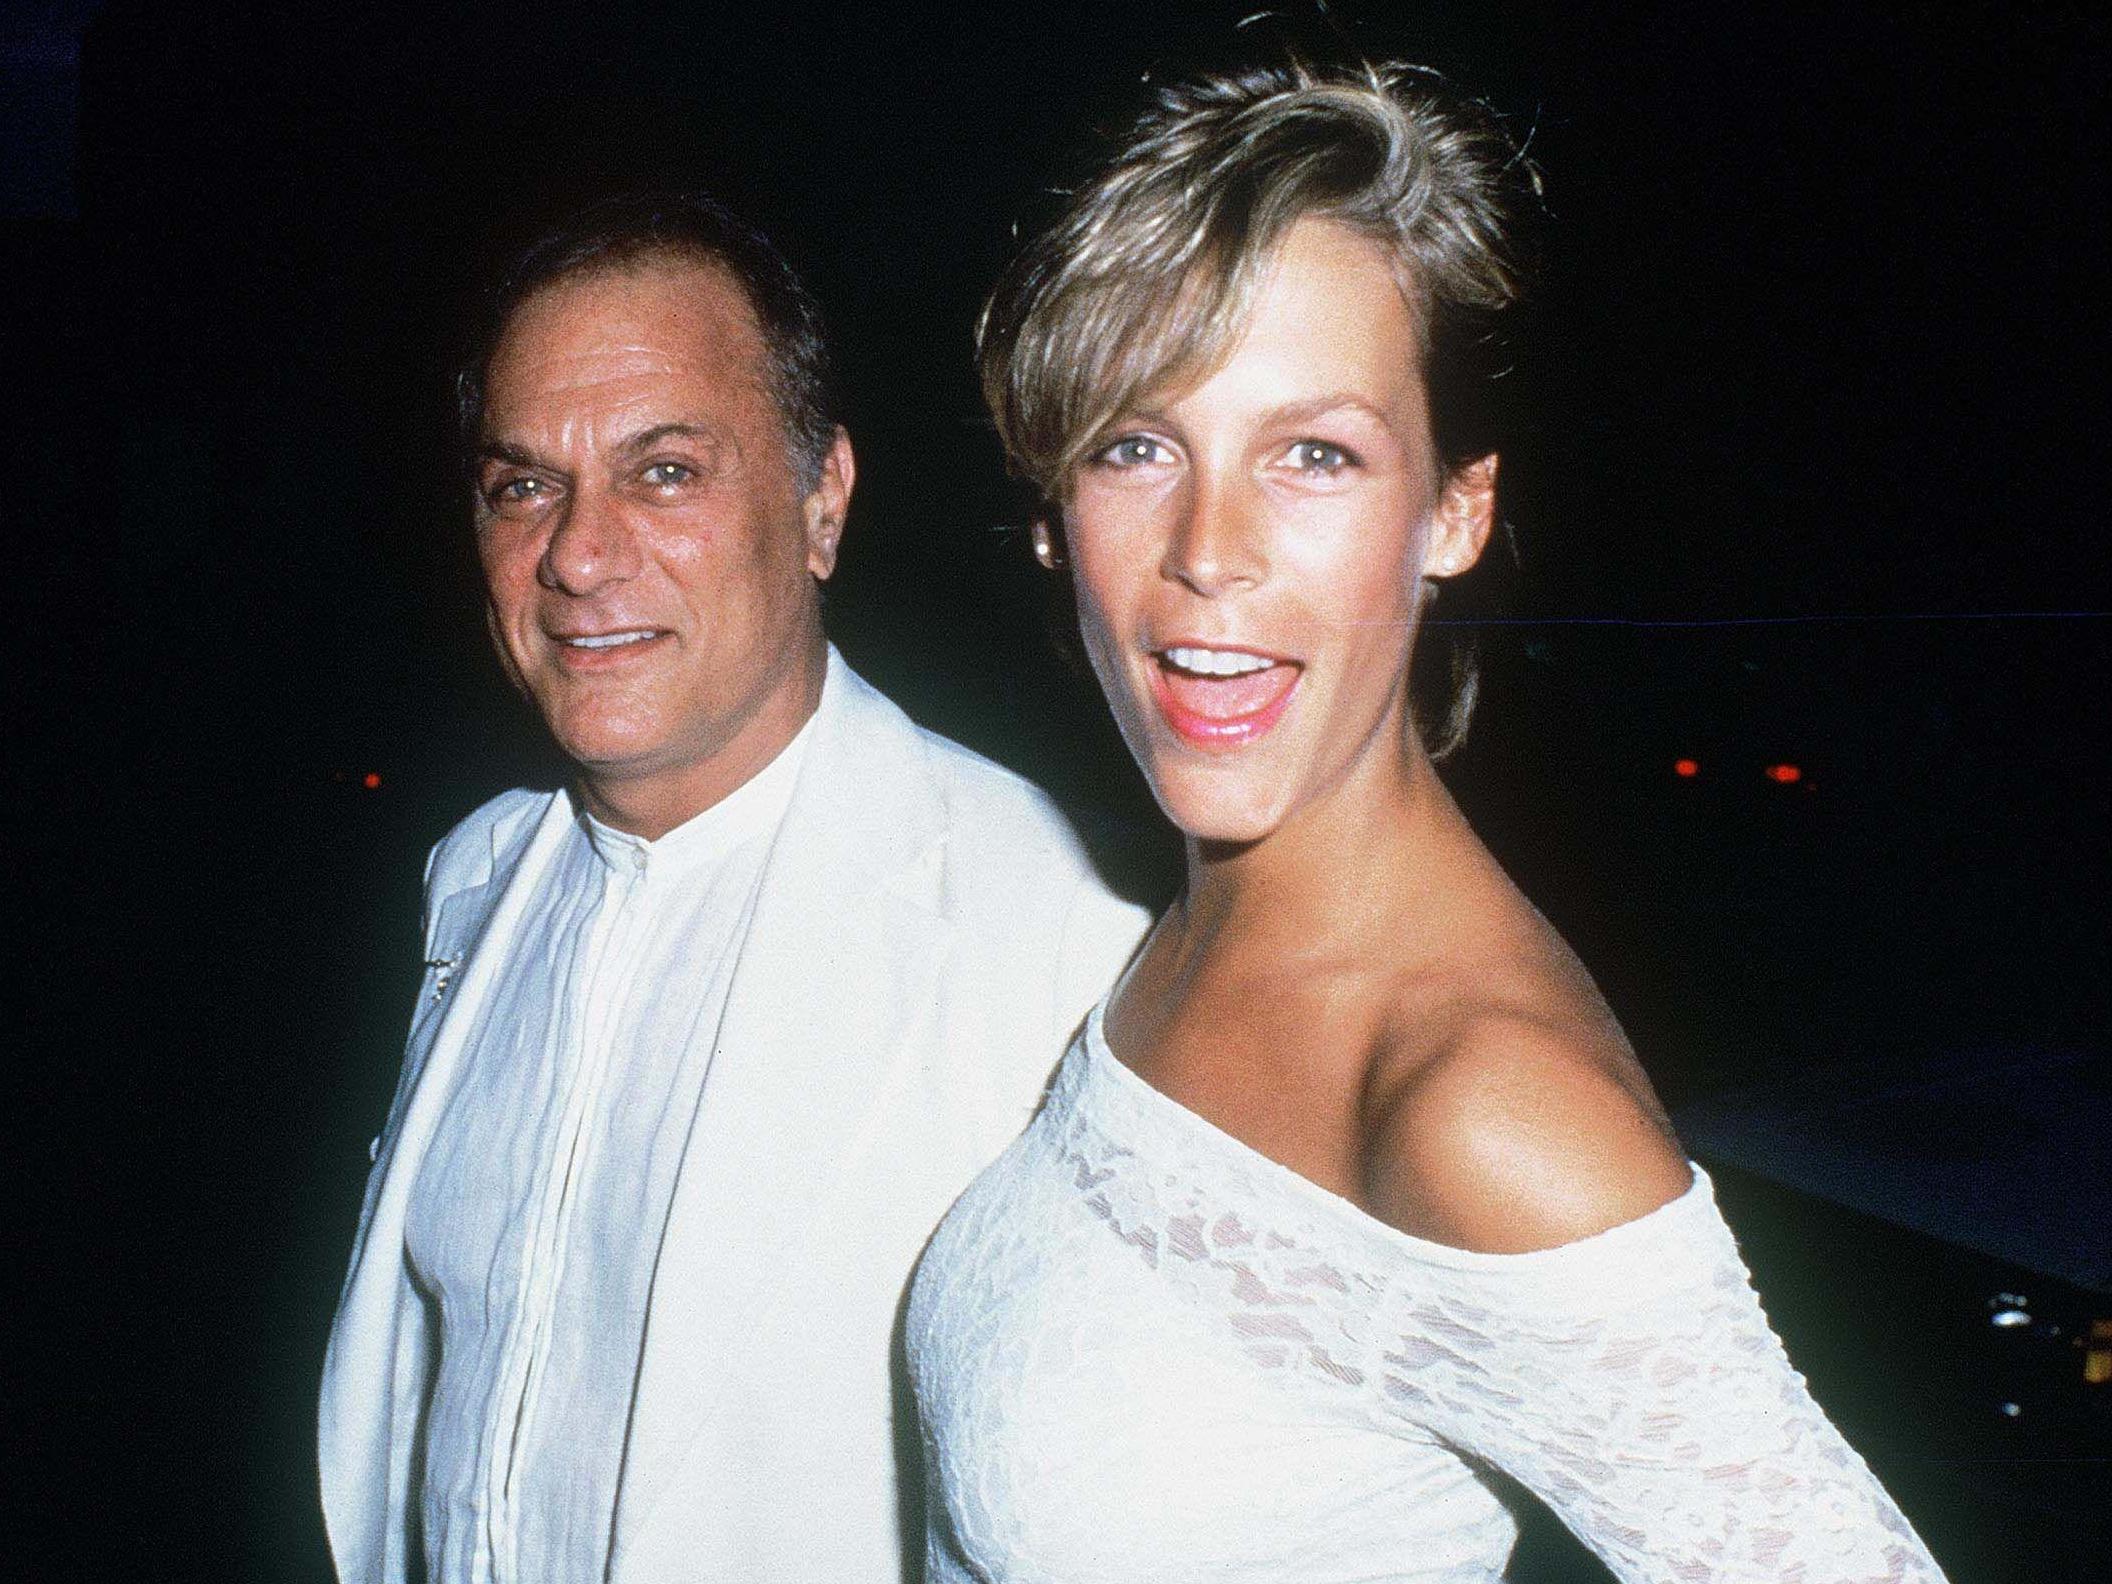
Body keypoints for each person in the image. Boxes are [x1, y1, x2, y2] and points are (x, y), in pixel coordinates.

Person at [907, 62, 1949, 1582]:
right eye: (1139, 444)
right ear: (1056, 507)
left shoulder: (1483, 1107)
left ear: (1453, 511)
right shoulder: (1198, 914)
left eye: (1313, 454)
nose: (1208, 551)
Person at [317, 194, 1148, 1584]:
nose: (578, 555)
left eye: (664, 473)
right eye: (524, 483)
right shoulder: (471, 879)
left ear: (822, 498)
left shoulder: (1065, 934)